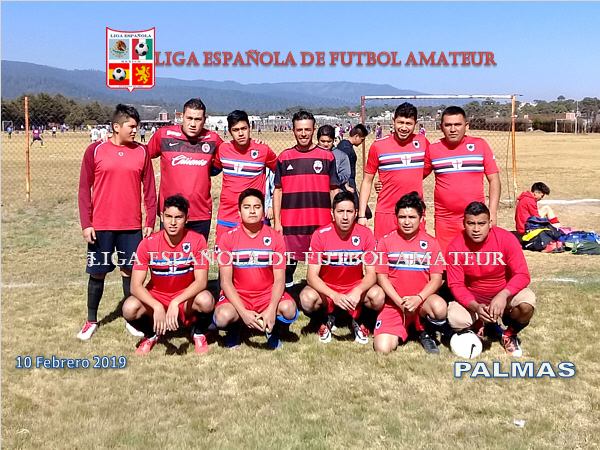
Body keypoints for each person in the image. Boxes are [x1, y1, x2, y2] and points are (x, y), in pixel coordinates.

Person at [77, 104, 157, 340]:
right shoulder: (95, 150)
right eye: (131, 126)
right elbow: (84, 189)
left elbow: (150, 191)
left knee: (130, 272)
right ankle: (91, 320)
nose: (135, 131)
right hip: (101, 226)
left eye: (136, 126)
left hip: (131, 226)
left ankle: (131, 319)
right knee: (98, 272)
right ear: (116, 126)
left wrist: (150, 220)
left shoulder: (142, 152)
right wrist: (86, 223)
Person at [123, 194, 215, 355]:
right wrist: (156, 305)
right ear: (162, 217)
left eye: (178, 217)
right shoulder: (147, 243)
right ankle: (152, 334)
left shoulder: (197, 240)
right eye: (168, 217)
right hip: (158, 296)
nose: (173, 222)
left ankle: (198, 332)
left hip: (184, 297)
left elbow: (201, 282)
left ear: (186, 219)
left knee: (206, 300)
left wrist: (176, 302)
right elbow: (135, 286)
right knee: (129, 308)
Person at [446, 202, 535, 357]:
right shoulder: (455, 247)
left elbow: (522, 274)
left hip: (503, 293)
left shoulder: (506, 239)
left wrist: (503, 295)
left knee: (527, 303)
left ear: (490, 223)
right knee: (456, 319)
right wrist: (475, 306)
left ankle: (509, 334)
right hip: (474, 297)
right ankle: (479, 325)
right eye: (471, 223)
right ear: (464, 223)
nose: (476, 229)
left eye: (481, 223)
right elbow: (456, 284)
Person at [214, 189, 298, 349]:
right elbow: (225, 282)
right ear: (239, 212)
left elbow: (280, 279)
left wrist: (272, 308)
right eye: (247, 207)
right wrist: (243, 312)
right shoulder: (227, 238)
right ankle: (235, 328)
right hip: (240, 296)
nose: (252, 211)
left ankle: (272, 328)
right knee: (222, 317)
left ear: (263, 211)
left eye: (257, 207)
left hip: (266, 295)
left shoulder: (275, 238)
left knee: (289, 309)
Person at [300, 192, 385, 344]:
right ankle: (324, 320)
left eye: (349, 211)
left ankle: (360, 321)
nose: (345, 217)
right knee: (306, 299)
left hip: (354, 286)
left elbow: (371, 274)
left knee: (378, 296)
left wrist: (358, 290)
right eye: (340, 211)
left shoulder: (365, 234)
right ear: (332, 213)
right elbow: (311, 277)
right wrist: (333, 295)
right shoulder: (320, 234)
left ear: (356, 213)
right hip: (328, 288)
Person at [374, 192, 448, 355]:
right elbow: (382, 278)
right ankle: (406, 328)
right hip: (395, 304)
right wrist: (400, 302)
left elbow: (437, 279)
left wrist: (418, 298)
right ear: (396, 218)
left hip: (422, 302)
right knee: (382, 349)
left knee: (440, 307)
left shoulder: (431, 243)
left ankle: (426, 331)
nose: (407, 222)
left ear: (421, 218)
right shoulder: (385, 242)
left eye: (412, 217)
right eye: (402, 217)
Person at [273, 110, 340, 288]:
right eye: (299, 130)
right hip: (291, 223)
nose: (303, 134)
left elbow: (334, 189)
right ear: (293, 131)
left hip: (321, 222)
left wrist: (336, 218)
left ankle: (323, 298)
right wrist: (277, 222)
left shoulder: (327, 157)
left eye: (307, 130)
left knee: (324, 266)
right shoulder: (284, 158)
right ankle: (286, 296)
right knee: (287, 266)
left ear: (313, 130)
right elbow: (277, 191)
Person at [424, 106, 501, 253]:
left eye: (457, 125)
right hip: (445, 220)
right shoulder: (433, 149)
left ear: (466, 126)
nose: (453, 129)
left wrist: (492, 212)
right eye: (448, 125)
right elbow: (414, 176)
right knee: (447, 261)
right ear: (441, 127)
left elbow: (494, 180)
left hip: (475, 218)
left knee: (476, 260)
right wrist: (384, 183)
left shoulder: (480, 145)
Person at [147, 98, 223, 241]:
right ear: (182, 116)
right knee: (169, 254)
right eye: (189, 118)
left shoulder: (213, 139)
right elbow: (141, 154)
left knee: (197, 254)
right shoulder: (164, 135)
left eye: (197, 119)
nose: (193, 124)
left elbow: (231, 154)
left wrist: (254, 144)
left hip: (200, 214)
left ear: (204, 120)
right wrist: (117, 141)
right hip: (171, 213)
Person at [359, 103, 429, 240]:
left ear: (416, 124)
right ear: (393, 120)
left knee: (415, 252)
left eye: (409, 123)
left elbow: (431, 166)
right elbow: (367, 181)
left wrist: (412, 178)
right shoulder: (378, 146)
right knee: (384, 252)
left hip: (414, 211)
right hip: (386, 212)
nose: (404, 128)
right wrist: (362, 215)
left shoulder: (423, 142)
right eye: (400, 122)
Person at [213, 110, 277, 243]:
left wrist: (271, 201)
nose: (241, 133)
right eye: (236, 130)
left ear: (250, 128)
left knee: (256, 255)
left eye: (244, 128)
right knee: (224, 254)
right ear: (230, 132)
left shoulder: (263, 150)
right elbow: (212, 170)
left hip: (254, 216)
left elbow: (280, 174)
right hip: (227, 215)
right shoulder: (223, 149)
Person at [317, 125, 352, 192]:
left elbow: (345, 175)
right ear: (318, 140)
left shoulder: (341, 156)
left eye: (329, 141)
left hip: (335, 191)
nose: (326, 144)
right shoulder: (312, 154)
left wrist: (331, 179)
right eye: (323, 141)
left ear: (333, 140)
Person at [336, 124, 368, 193]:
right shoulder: (346, 149)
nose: (362, 142)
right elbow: (340, 167)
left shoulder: (344, 144)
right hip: (347, 183)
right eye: (362, 139)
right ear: (356, 136)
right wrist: (346, 186)